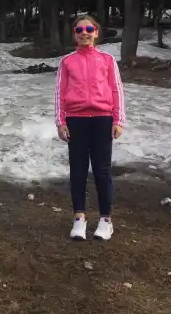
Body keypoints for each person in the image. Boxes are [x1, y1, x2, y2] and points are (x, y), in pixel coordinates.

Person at [54, 15, 125, 241]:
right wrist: (61, 121)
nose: (84, 32)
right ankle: (79, 219)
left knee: (102, 170)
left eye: (89, 28)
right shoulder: (67, 62)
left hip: (102, 119)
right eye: (79, 29)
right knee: (78, 170)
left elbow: (116, 90)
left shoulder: (107, 59)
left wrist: (118, 120)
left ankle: (105, 220)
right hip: (76, 120)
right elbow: (60, 93)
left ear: (96, 32)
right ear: (74, 34)